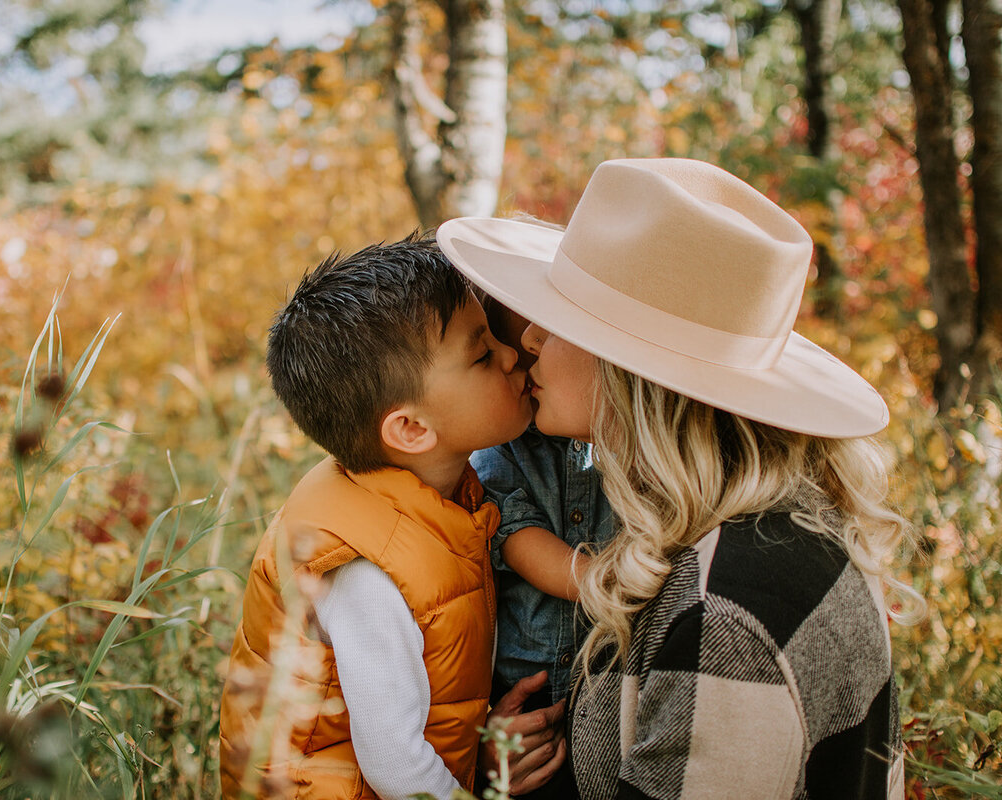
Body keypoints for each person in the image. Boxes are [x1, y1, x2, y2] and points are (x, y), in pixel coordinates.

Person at [438, 158, 913, 798]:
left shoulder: (726, 609)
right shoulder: (747, 532)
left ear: (628, 372)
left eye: (557, 322)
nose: (530, 341)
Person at [217, 232, 535, 800]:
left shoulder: (431, 501)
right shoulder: (365, 567)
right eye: (484, 353)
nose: (513, 355)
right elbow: (395, 764)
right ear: (411, 429)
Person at [470, 290, 615, 800]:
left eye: (545, 336)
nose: (526, 353)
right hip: (529, 700)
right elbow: (522, 542)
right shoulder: (501, 445)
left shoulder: (608, 437)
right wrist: (619, 581)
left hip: (606, 698)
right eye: (511, 347)